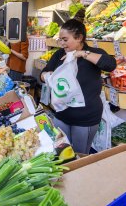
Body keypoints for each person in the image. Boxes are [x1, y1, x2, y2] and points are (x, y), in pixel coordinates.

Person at [41, 19, 116, 154]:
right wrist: (48, 76)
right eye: (60, 40)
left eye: (65, 39)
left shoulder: (94, 52)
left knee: (80, 155)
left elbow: (110, 65)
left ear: (79, 38)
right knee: (61, 153)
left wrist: (82, 54)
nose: (62, 43)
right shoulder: (59, 54)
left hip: (85, 119)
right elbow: (43, 74)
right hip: (61, 115)